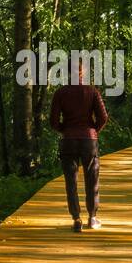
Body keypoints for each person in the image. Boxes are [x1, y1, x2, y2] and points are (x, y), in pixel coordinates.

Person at [49, 58, 108, 232]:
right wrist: (93, 131)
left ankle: (76, 219)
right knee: (92, 179)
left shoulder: (60, 93)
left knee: (71, 181)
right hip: (89, 140)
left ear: (68, 72)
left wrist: (65, 130)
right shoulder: (92, 91)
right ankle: (92, 218)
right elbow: (103, 117)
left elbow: (53, 121)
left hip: (68, 140)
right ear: (83, 72)